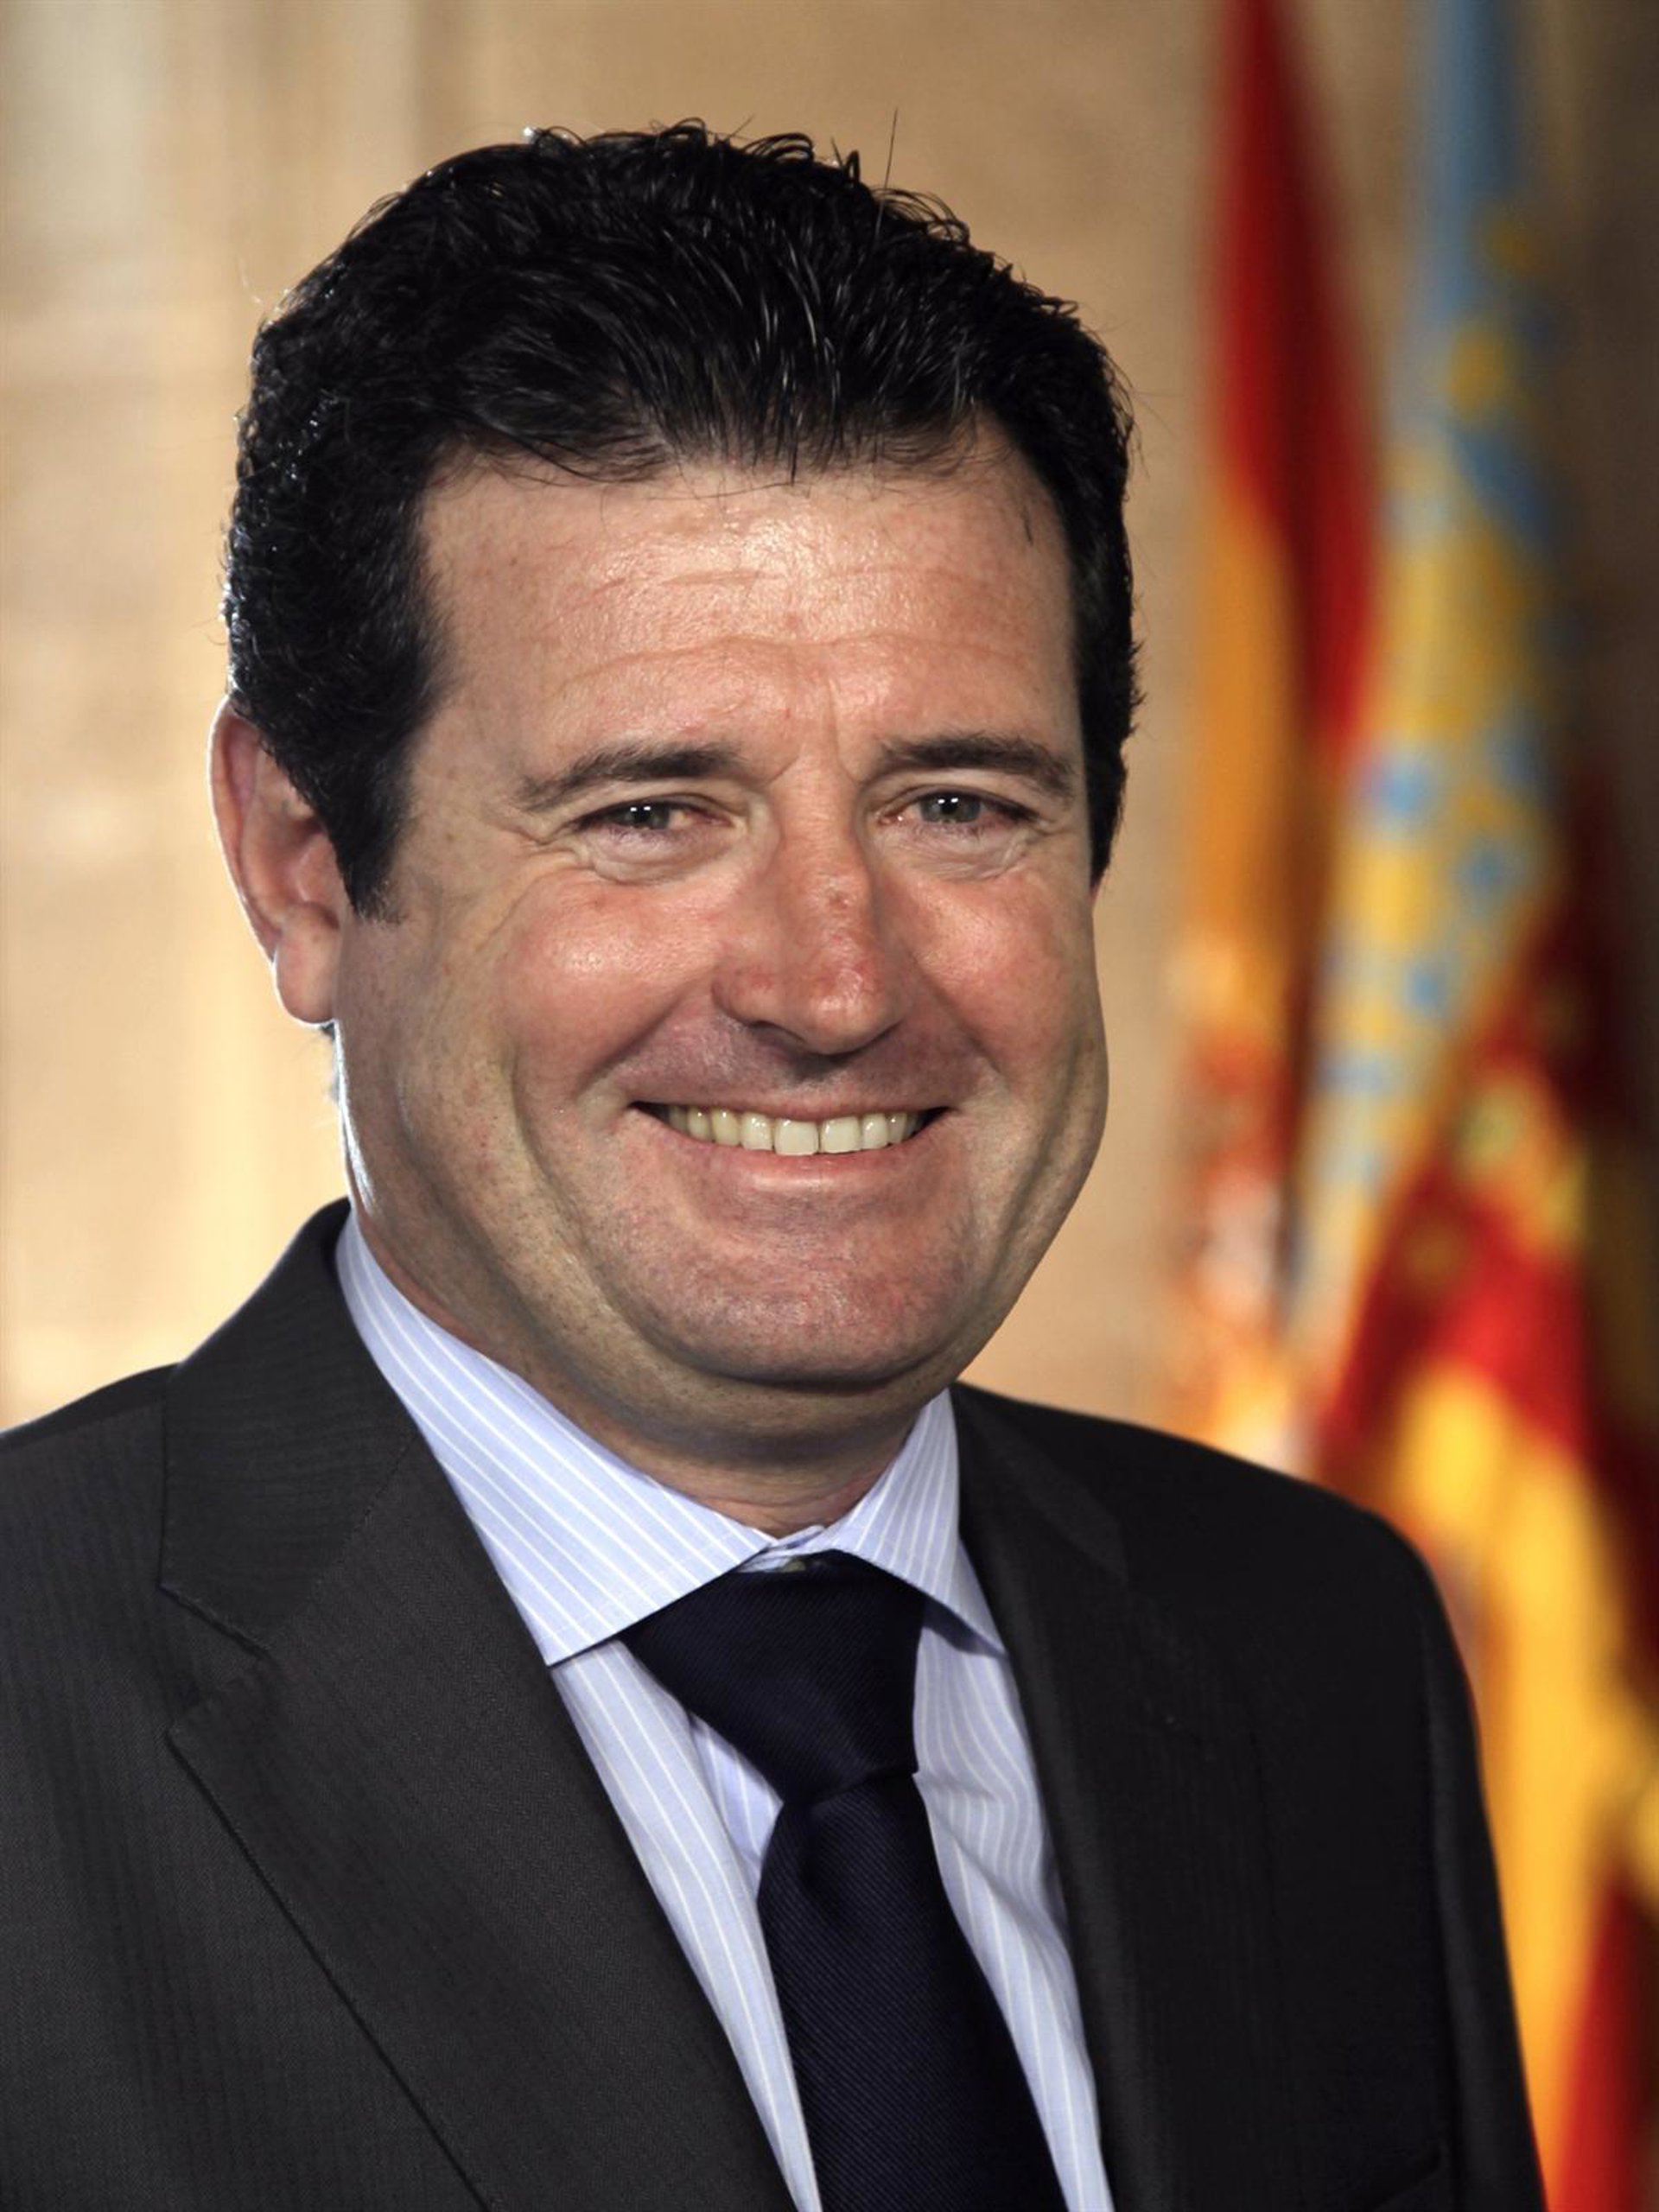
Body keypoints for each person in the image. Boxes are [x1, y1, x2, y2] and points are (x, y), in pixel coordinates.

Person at [1, 126, 1541, 2212]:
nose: (835, 983)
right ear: (302, 865)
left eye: (957, 802)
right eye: (650, 811)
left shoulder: (1310, 1640)